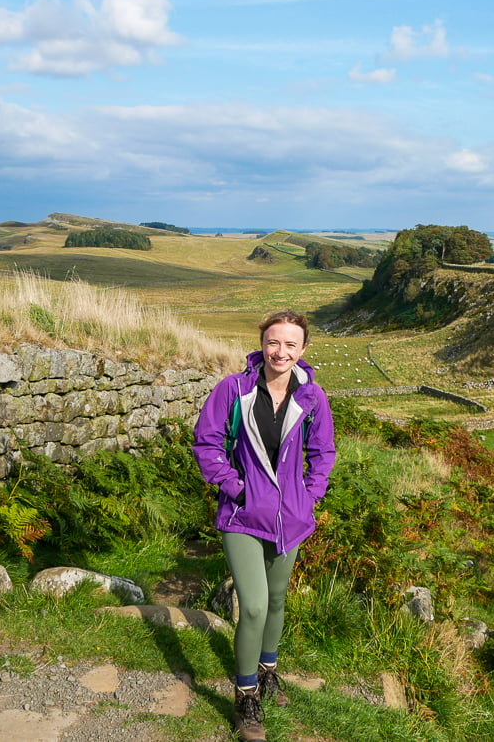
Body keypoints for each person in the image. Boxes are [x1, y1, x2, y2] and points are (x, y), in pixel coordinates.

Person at [192, 310, 336, 742]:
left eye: (291, 344)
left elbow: (323, 453)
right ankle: (245, 694)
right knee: (252, 605)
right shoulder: (233, 390)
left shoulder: (312, 398)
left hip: (290, 519)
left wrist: (308, 496)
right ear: (262, 343)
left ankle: (268, 670)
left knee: (275, 602)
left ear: (303, 350)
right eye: (274, 342)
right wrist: (236, 489)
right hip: (241, 516)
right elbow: (207, 442)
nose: (281, 351)